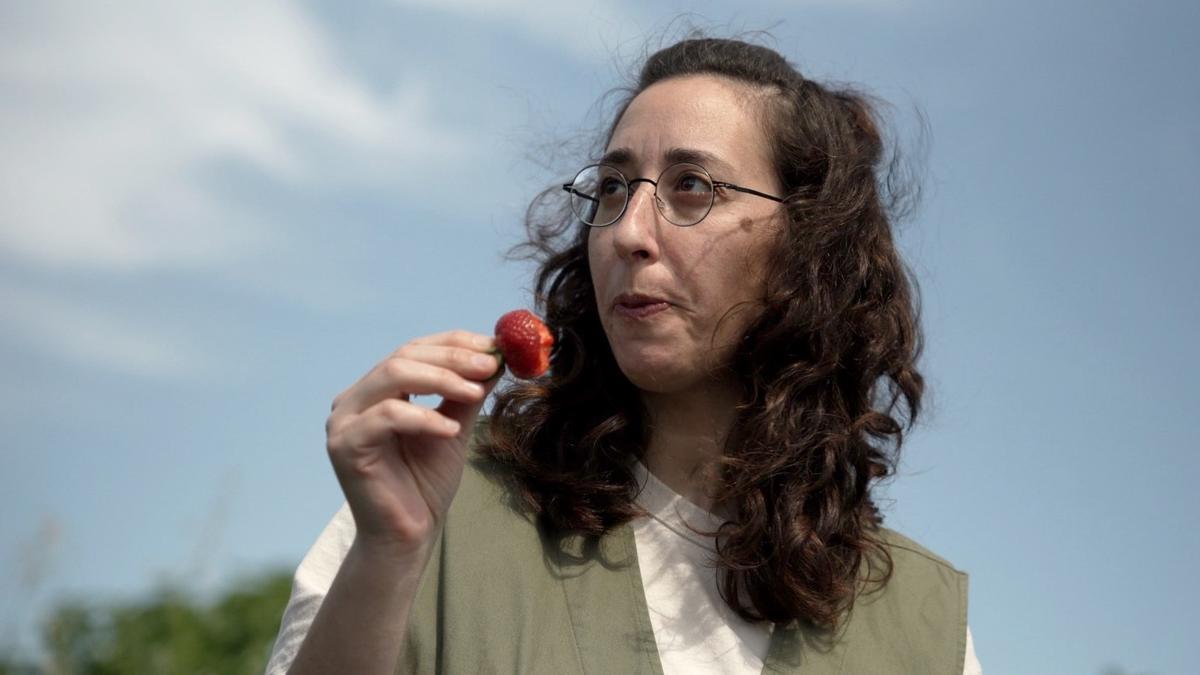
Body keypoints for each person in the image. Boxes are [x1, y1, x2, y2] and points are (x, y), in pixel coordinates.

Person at [266, 37, 982, 674]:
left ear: (808, 244)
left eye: (692, 186)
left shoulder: (924, 627)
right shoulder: (427, 506)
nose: (628, 232)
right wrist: (388, 552)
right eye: (613, 187)